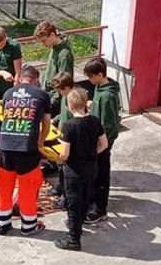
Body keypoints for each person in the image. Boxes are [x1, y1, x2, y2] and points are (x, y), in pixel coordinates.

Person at [0, 65, 50, 236]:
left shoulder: (8, 94)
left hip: (5, 146)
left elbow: (7, 117)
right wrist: (40, 142)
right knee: (28, 187)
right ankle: (29, 226)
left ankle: (2, 223)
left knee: (4, 185)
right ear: (36, 80)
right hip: (26, 147)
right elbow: (46, 124)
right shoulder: (42, 95)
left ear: (20, 78)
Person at [55, 89, 108, 251]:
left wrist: (56, 159)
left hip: (74, 171)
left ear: (69, 105)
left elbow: (65, 154)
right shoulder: (95, 121)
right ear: (86, 103)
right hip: (91, 168)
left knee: (73, 203)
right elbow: (104, 144)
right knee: (86, 198)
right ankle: (79, 224)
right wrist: (91, 154)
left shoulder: (69, 126)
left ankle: (73, 239)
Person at [84, 57, 121, 223]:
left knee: (101, 174)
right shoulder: (100, 87)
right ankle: (92, 200)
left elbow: (108, 124)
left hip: (102, 141)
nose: (90, 81)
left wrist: (101, 144)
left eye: (91, 77)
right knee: (94, 172)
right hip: (97, 138)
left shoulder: (107, 96)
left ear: (100, 74)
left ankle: (100, 209)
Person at [35, 21, 74, 120]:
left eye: (44, 41)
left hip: (54, 99)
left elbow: (64, 82)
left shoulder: (64, 54)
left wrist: (52, 102)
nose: (43, 44)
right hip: (48, 94)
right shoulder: (54, 47)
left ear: (52, 35)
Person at [50, 71, 76, 209]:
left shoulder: (73, 98)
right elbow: (64, 113)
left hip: (69, 138)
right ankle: (61, 188)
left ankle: (65, 197)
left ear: (66, 88)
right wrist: (56, 119)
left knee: (66, 169)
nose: (58, 93)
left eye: (59, 91)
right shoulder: (65, 97)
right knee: (60, 167)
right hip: (61, 134)